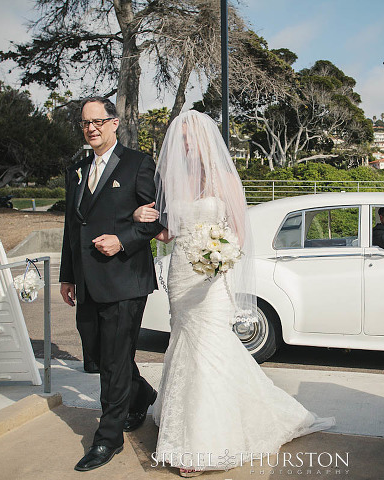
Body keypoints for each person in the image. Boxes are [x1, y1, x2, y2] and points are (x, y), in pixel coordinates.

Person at [133, 110, 334, 477]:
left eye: (191, 134)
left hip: (210, 276)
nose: (185, 141)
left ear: (206, 138)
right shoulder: (176, 181)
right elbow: (168, 234)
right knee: (182, 342)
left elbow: (239, 233)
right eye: (181, 136)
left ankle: (203, 443)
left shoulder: (225, 177)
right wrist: (144, 221)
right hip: (181, 273)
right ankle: (180, 424)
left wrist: (219, 257)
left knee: (209, 348)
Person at [59, 97, 164, 472]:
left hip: (125, 279)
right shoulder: (76, 168)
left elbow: (156, 219)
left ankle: (108, 439)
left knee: (115, 363)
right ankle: (143, 396)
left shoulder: (138, 163)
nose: (92, 128)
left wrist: (121, 238)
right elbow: (73, 226)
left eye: (98, 121)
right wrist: (67, 275)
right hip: (86, 281)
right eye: (86, 123)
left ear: (114, 123)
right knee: (101, 357)